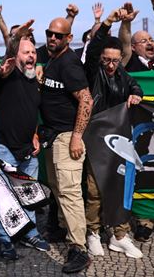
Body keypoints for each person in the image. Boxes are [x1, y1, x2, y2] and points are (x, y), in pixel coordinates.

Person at [82, 8, 144, 259]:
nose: (110, 65)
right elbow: (95, 46)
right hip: (94, 138)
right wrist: (107, 22)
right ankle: (93, 233)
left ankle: (119, 235)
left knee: (120, 186)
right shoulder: (92, 71)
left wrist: (137, 93)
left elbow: (135, 85)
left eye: (114, 61)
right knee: (95, 189)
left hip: (118, 139)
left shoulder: (121, 73)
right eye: (106, 60)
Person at [0, 34, 51, 260]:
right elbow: (2, 69)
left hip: (27, 149)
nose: (32, 55)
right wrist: (7, 63)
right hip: (3, 146)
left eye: (34, 52)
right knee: (5, 198)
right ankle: (6, 240)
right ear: (15, 57)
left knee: (29, 194)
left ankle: (29, 233)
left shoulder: (34, 80)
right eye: (26, 52)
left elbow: (31, 112)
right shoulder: (8, 75)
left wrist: (35, 134)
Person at [39, 17, 94, 274]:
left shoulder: (69, 63)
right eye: (49, 33)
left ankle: (79, 249)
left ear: (68, 38)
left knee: (70, 192)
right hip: (52, 135)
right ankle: (65, 231)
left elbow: (86, 100)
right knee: (58, 189)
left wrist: (75, 136)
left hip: (65, 136)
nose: (52, 38)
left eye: (58, 36)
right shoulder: (53, 59)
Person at [117, 2, 154, 71]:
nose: (149, 43)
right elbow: (125, 43)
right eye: (144, 41)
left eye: (151, 40)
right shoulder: (130, 61)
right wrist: (126, 22)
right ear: (133, 47)